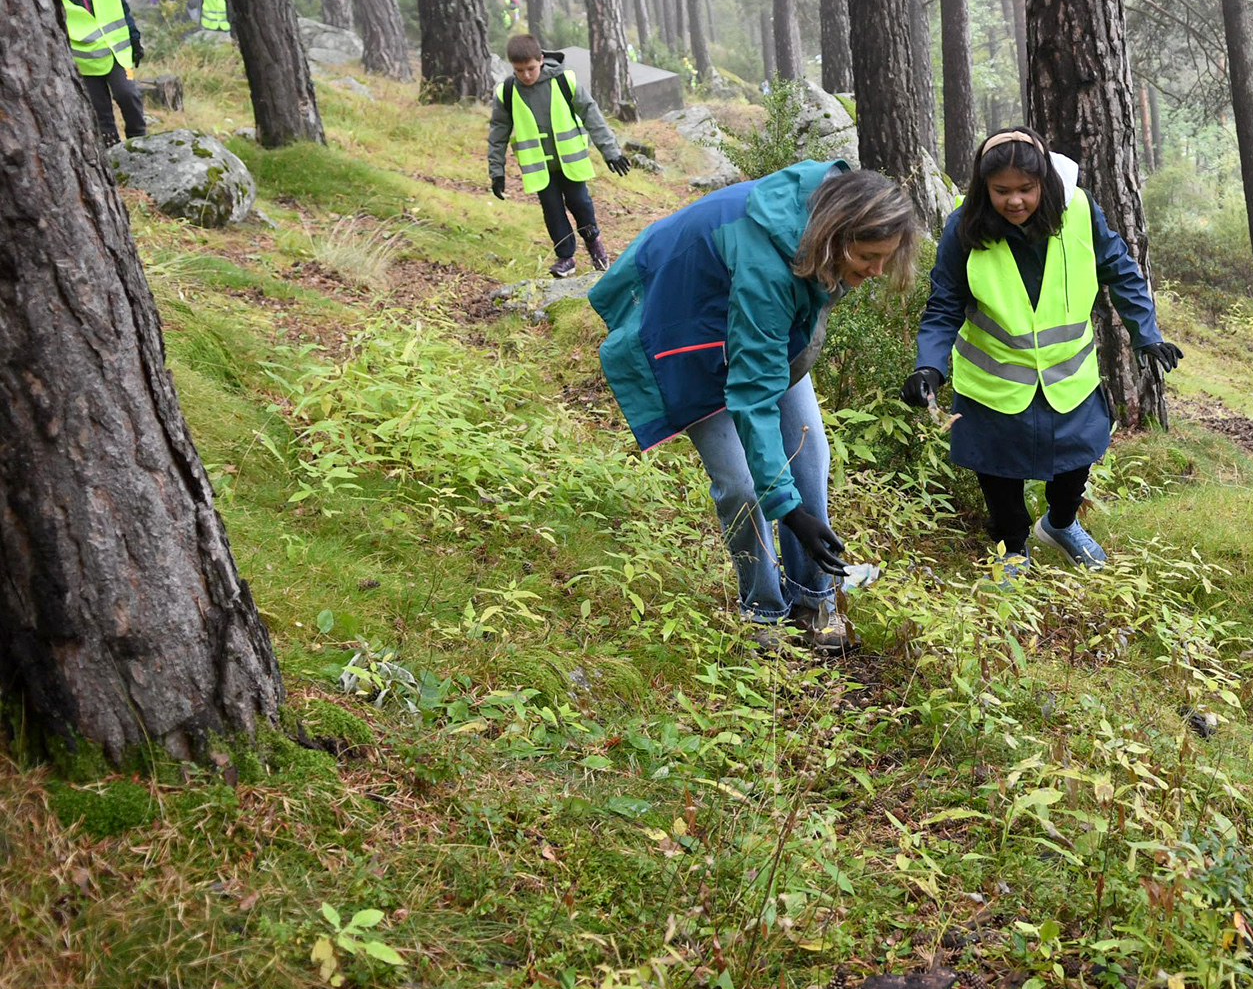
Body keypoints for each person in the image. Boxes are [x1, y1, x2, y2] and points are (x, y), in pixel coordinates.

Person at [591, 163, 922, 650]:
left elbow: (774, 346)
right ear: (835, 237)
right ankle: (764, 612)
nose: (875, 272)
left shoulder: (825, 211)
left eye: (884, 259)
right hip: (685, 329)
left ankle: (813, 598)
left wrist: (794, 505)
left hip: (748, 325)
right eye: (869, 258)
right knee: (743, 486)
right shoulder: (767, 266)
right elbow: (753, 394)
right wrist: (789, 510)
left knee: (809, 455)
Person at [903, 129, 1182, 578]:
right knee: (998, 472)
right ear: (983, 188)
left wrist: (1145, 334)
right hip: (995, 383)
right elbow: (944, 303)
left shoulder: (1079, 211)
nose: (1015, 201)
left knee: (1076, 460)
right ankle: (1012, 547)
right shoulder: (963, 226)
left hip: (1067, 376)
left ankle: (1060, 524)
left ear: (1045, 183)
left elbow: (1122, 271)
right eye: (1001, 191)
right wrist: (929, 365)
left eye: (1026, 189)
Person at [487, 33, 630, 277]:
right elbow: (497, 134)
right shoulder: (507, 92)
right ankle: (565, 258)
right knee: (552, 211)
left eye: (531, 68)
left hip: (571, 163)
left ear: (541, 60)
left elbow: (591, 115)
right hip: (539, 168)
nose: (526, 75)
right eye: (519, 70)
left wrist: (611, 152)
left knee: (581, 204)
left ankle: (594, 243)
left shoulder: (565, 80)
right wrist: (496, 172)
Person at [52, 0, 147, 146]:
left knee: (128, 95)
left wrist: (135, 40)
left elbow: (121, 7)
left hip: (117, 53)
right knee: (99, 110)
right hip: (83, 62)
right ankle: (111, 149)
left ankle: (140, 141)